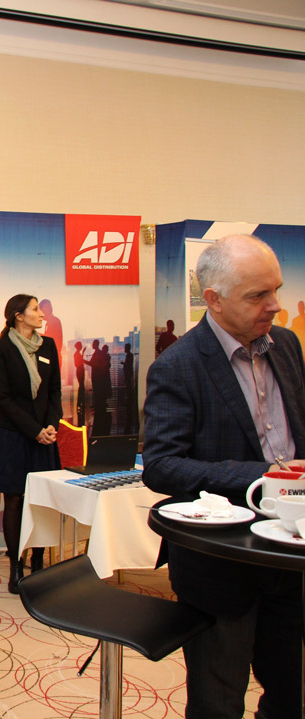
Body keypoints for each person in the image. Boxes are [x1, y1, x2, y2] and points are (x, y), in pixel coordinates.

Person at [143, 234, 305, 719]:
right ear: (213, 299)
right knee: (219, 701)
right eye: (258, 295)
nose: (275, 305)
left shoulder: (287, 346)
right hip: (222, 564)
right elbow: (162, 466)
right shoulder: (178, 366)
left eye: (276, 290)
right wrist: (264, 475)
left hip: (293, 554)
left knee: (293, 692)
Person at [0, 294, 61, 594]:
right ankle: (15, 566)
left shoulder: (48, 346)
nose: (41, 314)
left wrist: (50, 425)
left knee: (41, 500)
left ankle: (38, 563)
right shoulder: (0, 349)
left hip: (44, 435)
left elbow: (54, 392)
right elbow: (4, 398)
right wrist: (34, 430)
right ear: (18, 315)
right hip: (15, 434)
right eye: (35, 309)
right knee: (14, 500)